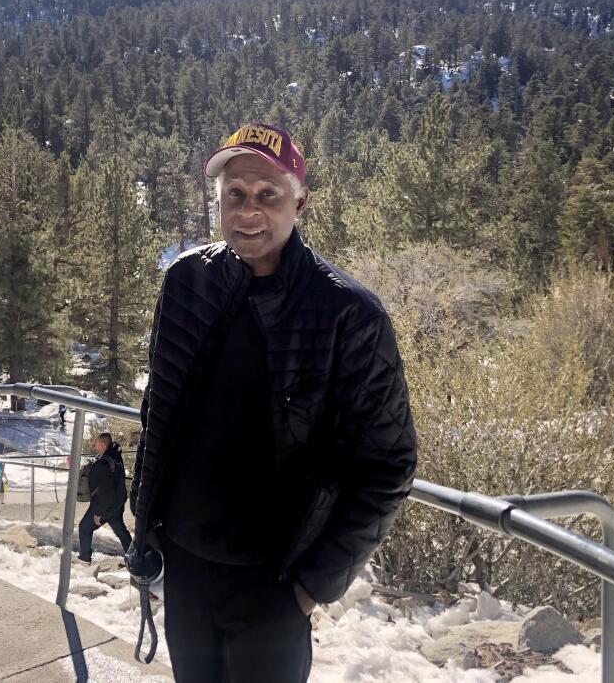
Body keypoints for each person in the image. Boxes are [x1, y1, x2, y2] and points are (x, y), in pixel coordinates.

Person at [126, 122, 418, 682]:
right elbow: (161, 410)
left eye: (268, 195)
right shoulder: (187, 282)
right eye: (235, 195)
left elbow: (388, 463)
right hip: (185, 562)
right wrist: (147, 519)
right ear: (217, 200)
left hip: (274, 581)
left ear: (299, 201)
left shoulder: (349, 314)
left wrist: (314, 585)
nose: (248, 211)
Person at [78, 432, 132, 562]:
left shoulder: (102, 464)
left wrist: (99, 513)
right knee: (122, 533)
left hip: (105, 506)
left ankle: (84, 558)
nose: (94, 446)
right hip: (116, 504)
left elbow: (103, 492)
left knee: (84, 528)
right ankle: (135, 559)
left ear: (102, 444)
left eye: (95, 443)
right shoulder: (115, 457)